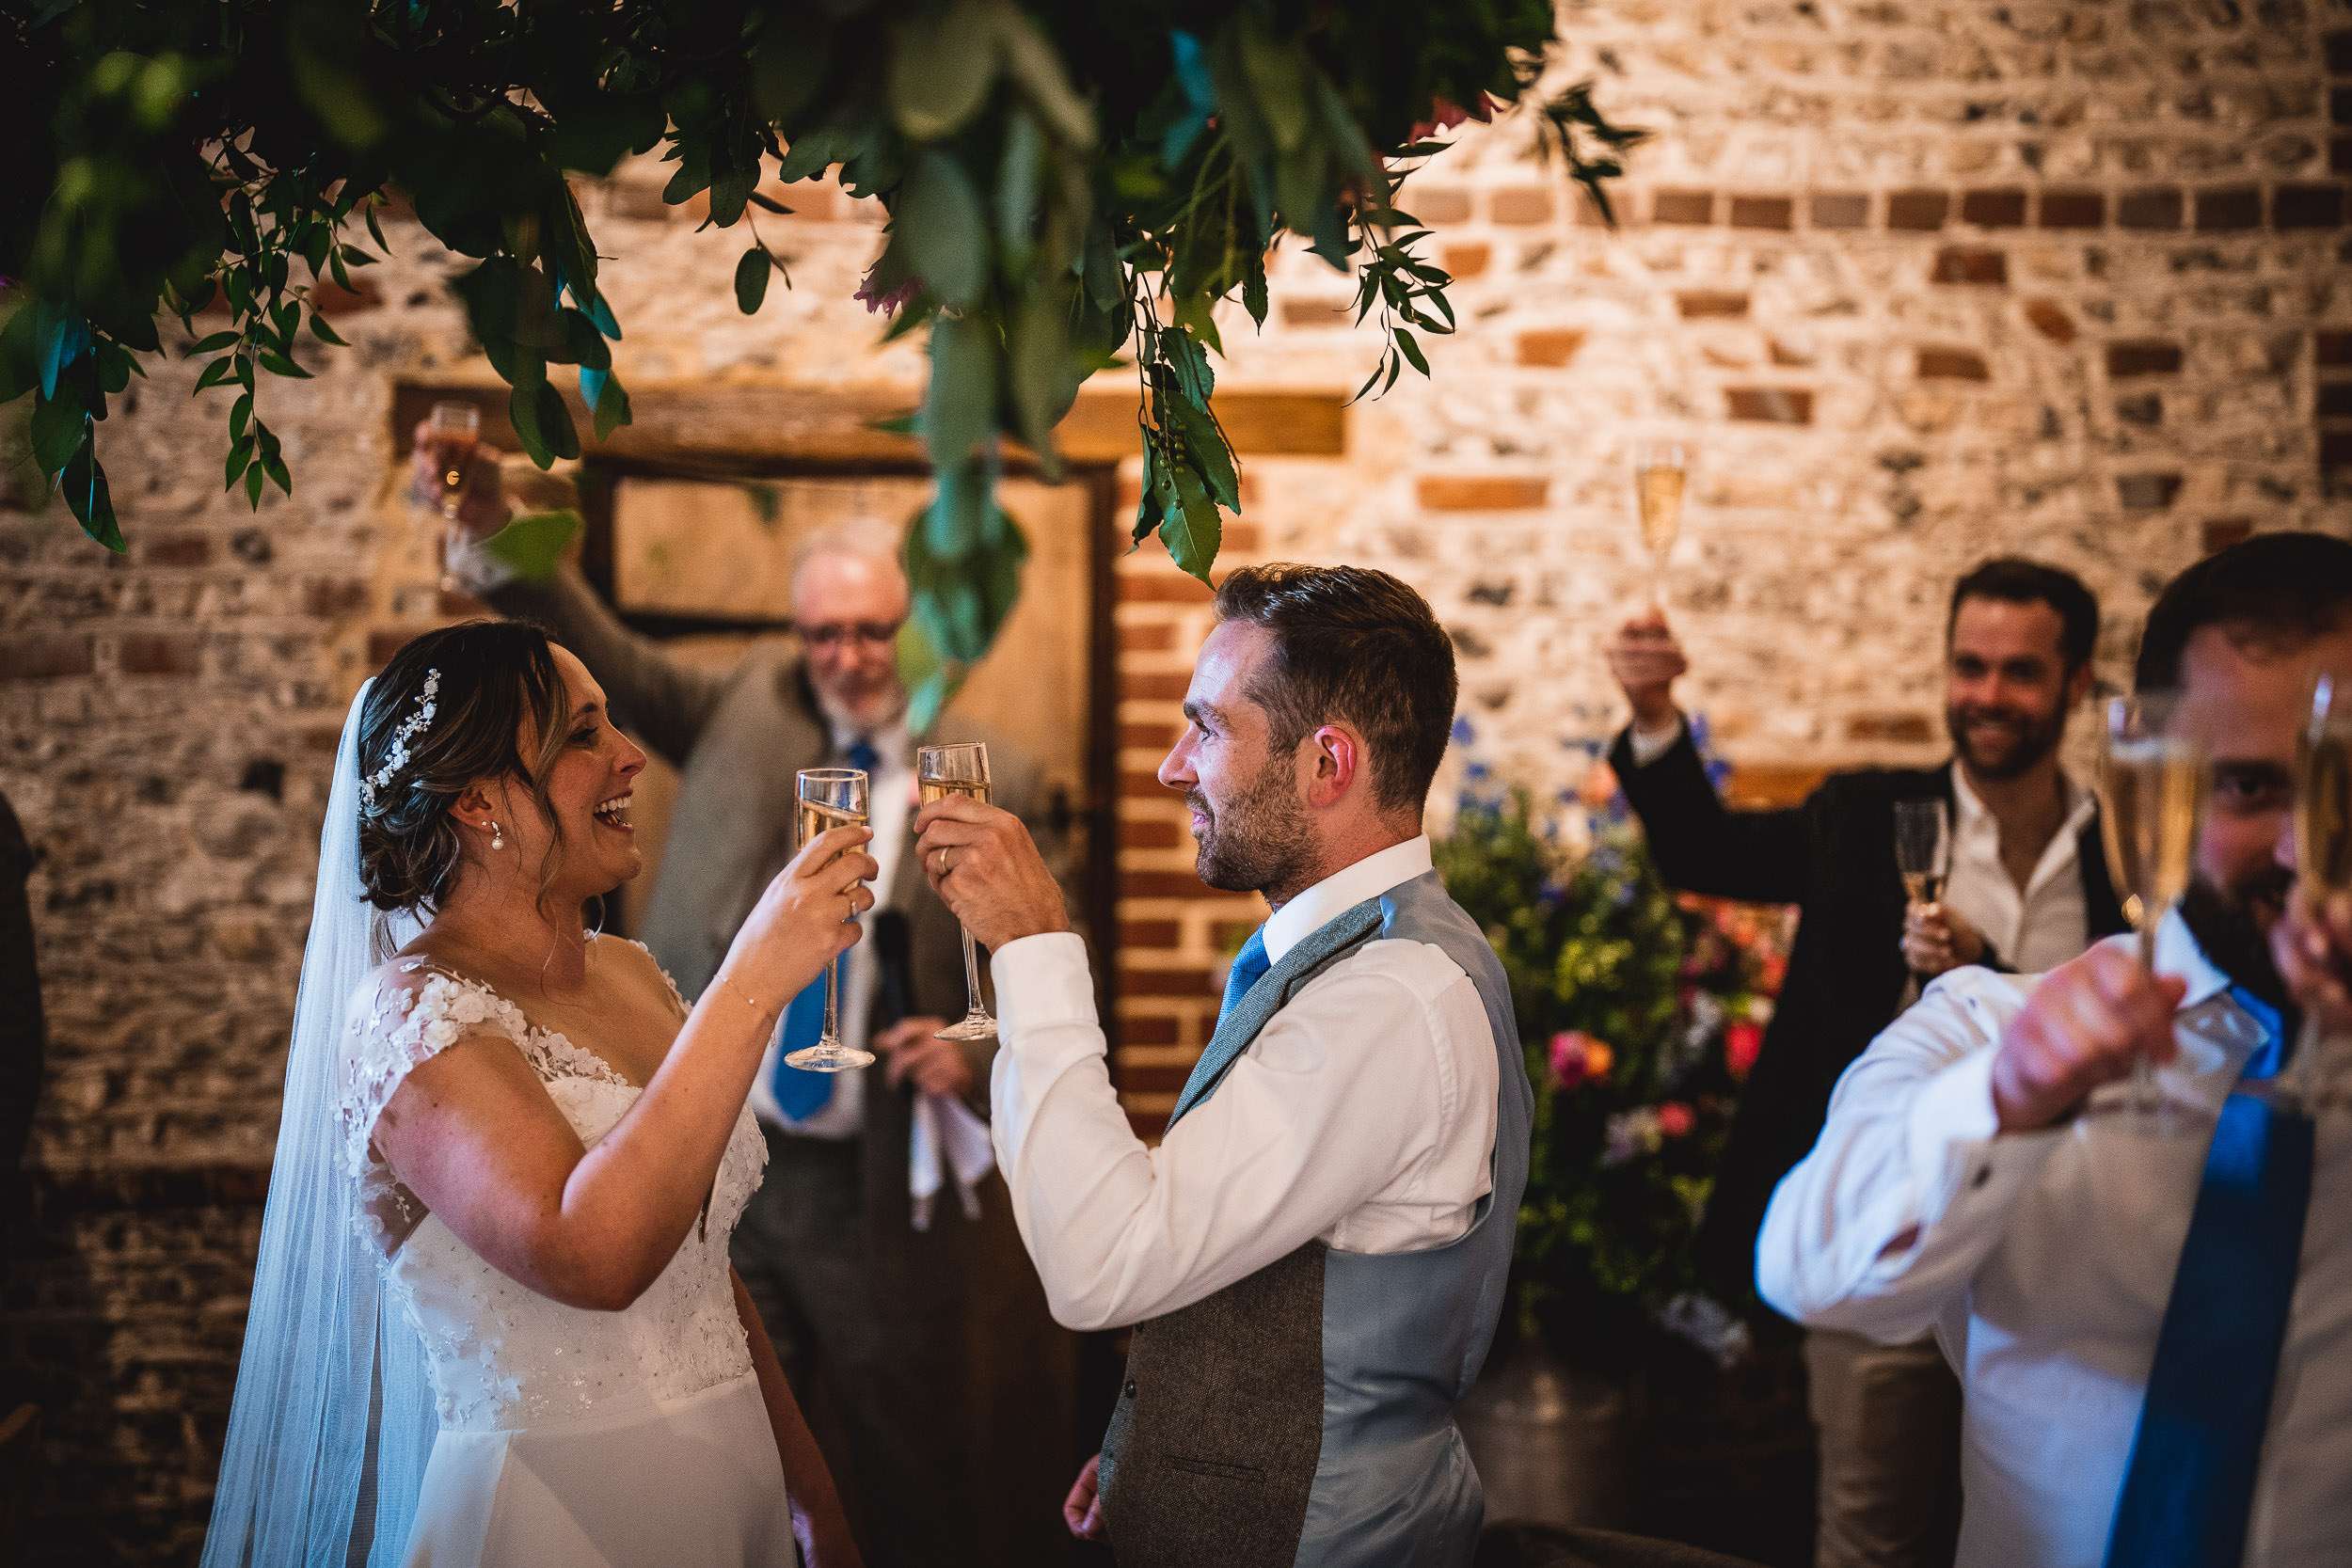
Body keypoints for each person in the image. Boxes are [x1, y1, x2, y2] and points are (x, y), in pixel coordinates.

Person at [421, 433, 1076, 1568]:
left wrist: (973, 1051)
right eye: (824, 631)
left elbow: (1045, 963)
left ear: (911, 627)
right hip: (713, 1147)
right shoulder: (739, 709)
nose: (849, 654)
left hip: (872, 1180)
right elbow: (591, 647)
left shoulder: (993, 769)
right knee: (716, 1431)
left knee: (902, 1456)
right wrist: (498, 527)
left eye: (873, 629)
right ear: (797, 633)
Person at [203, 621, 866, 1566]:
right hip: (555, 1517)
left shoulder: (635, 975)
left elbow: (700, 1264)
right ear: (477, 799)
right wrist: (754, 979)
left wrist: (811, 1493)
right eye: (583, 735)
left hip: (735, 1486)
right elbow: (591, 1254)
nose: (631, 758)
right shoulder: (411, 1019)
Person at [914, 562, 1534, 1568]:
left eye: (1207, 727)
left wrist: (1034, 948)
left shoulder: (1387, 999)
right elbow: (1236, 1244)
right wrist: (1157, 1444)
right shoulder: (1357, 963)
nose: (1172, 766)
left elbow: (1100, 1263)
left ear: (1326, 762)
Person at [1756, 531, 2352, 1567]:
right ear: (2158, 785)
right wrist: (2012, 1093)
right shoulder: (1984, 1028)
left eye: (2340, 784)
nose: (2306, 847)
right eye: (2250, 790)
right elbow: (1809, 1266)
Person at [1606, 557, 2126, 1568]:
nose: (1985, 695)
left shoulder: (2121, 853)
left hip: (2064, 1252)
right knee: (1870, 1536)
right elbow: (1704, 853)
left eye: (2018, 671)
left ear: (2073, 683)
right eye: (1966, 666)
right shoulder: (1865, 815)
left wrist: (1992, 968)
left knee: (2049, 1533)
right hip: (1896, 1225)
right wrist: (1653, 708)